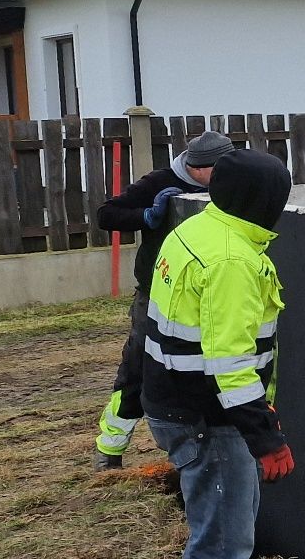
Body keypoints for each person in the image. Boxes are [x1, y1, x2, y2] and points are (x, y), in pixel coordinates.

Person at [143, 149, 295, 559]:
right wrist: (267, 439)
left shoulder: (198, 228)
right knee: (224, 547)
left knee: (207, 537)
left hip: (175, 408)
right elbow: (231, 367)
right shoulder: (232, 261)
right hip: (210, 421)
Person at [91, 130, 235, 469]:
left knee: (212, 366)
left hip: (210, 291)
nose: (224, 177)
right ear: (196, 168)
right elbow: (106, 214)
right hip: (157, 293)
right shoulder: (160, 182)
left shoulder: (234, 181)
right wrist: (146, 216)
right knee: (139, 366)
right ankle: (111, 447)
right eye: (218, 170)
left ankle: (206, 444)